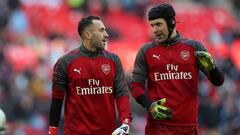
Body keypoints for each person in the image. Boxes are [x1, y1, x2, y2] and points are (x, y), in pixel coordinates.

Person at [130, 3, 224, 135]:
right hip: (158, 128)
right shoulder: (146, 51)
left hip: (188, 128)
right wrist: (150, 105)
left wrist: (213, 68)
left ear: (171, 22)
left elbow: (218, 82)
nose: (155, 29)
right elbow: (135, 86)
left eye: (158, 24)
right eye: (152, 25)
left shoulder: (194, 48)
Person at [48, 16, 131, 135]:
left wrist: (125, 123)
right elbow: (57, 99)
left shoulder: (113, 60)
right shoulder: (66, 62)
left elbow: (122, 94)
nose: (107, 34)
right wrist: (52, 130)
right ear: (88, 35)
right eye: (101, 30)